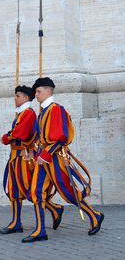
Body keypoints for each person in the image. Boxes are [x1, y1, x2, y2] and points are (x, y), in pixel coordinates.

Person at [22, 77, 104, 243]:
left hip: (56, 159)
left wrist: (45, 155)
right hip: (44, 159)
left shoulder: (56, 109)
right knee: (36, 192)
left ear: (48, 91)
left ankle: (94, 215)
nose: (36, 95)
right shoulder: (43, 111)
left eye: (38, 92)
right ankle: (40, 230)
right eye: (36, 92)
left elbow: (61, 137)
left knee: (68, 192)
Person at [0, 85, 64, 235]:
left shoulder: (28, 113)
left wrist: (6, 137)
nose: (15, 99)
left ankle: (54, 208)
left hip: (24, 157)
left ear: (26, 98)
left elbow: (19, 134)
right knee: (14, 189)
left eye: (18, 96)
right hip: (16, 157)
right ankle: (16, 222)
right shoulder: (22, 113)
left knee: (30, 189)